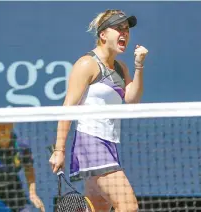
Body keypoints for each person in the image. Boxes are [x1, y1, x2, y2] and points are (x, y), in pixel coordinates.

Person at [49, 9, 148, 212]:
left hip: (110, 144)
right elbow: (68, 108)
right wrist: (59, 150)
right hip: (91, 143)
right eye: (118, 28)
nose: (124, 33)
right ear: (102, 34)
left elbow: (132, 99)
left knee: (99, 209)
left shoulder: (121, 67)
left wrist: (138, 66)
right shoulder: (87, 64)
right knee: (128, 207)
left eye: (126, 29)